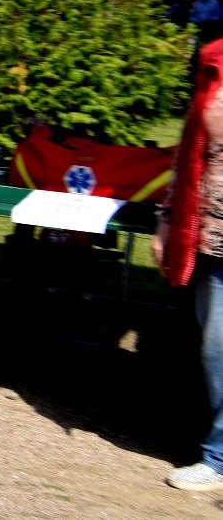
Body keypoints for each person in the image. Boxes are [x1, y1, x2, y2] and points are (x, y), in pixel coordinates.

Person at [156, 37, 223, 492]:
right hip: (212, 238)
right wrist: (165, 221)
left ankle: (218, 457)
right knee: (215, 349)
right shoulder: (213, 66)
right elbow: (186, 156)